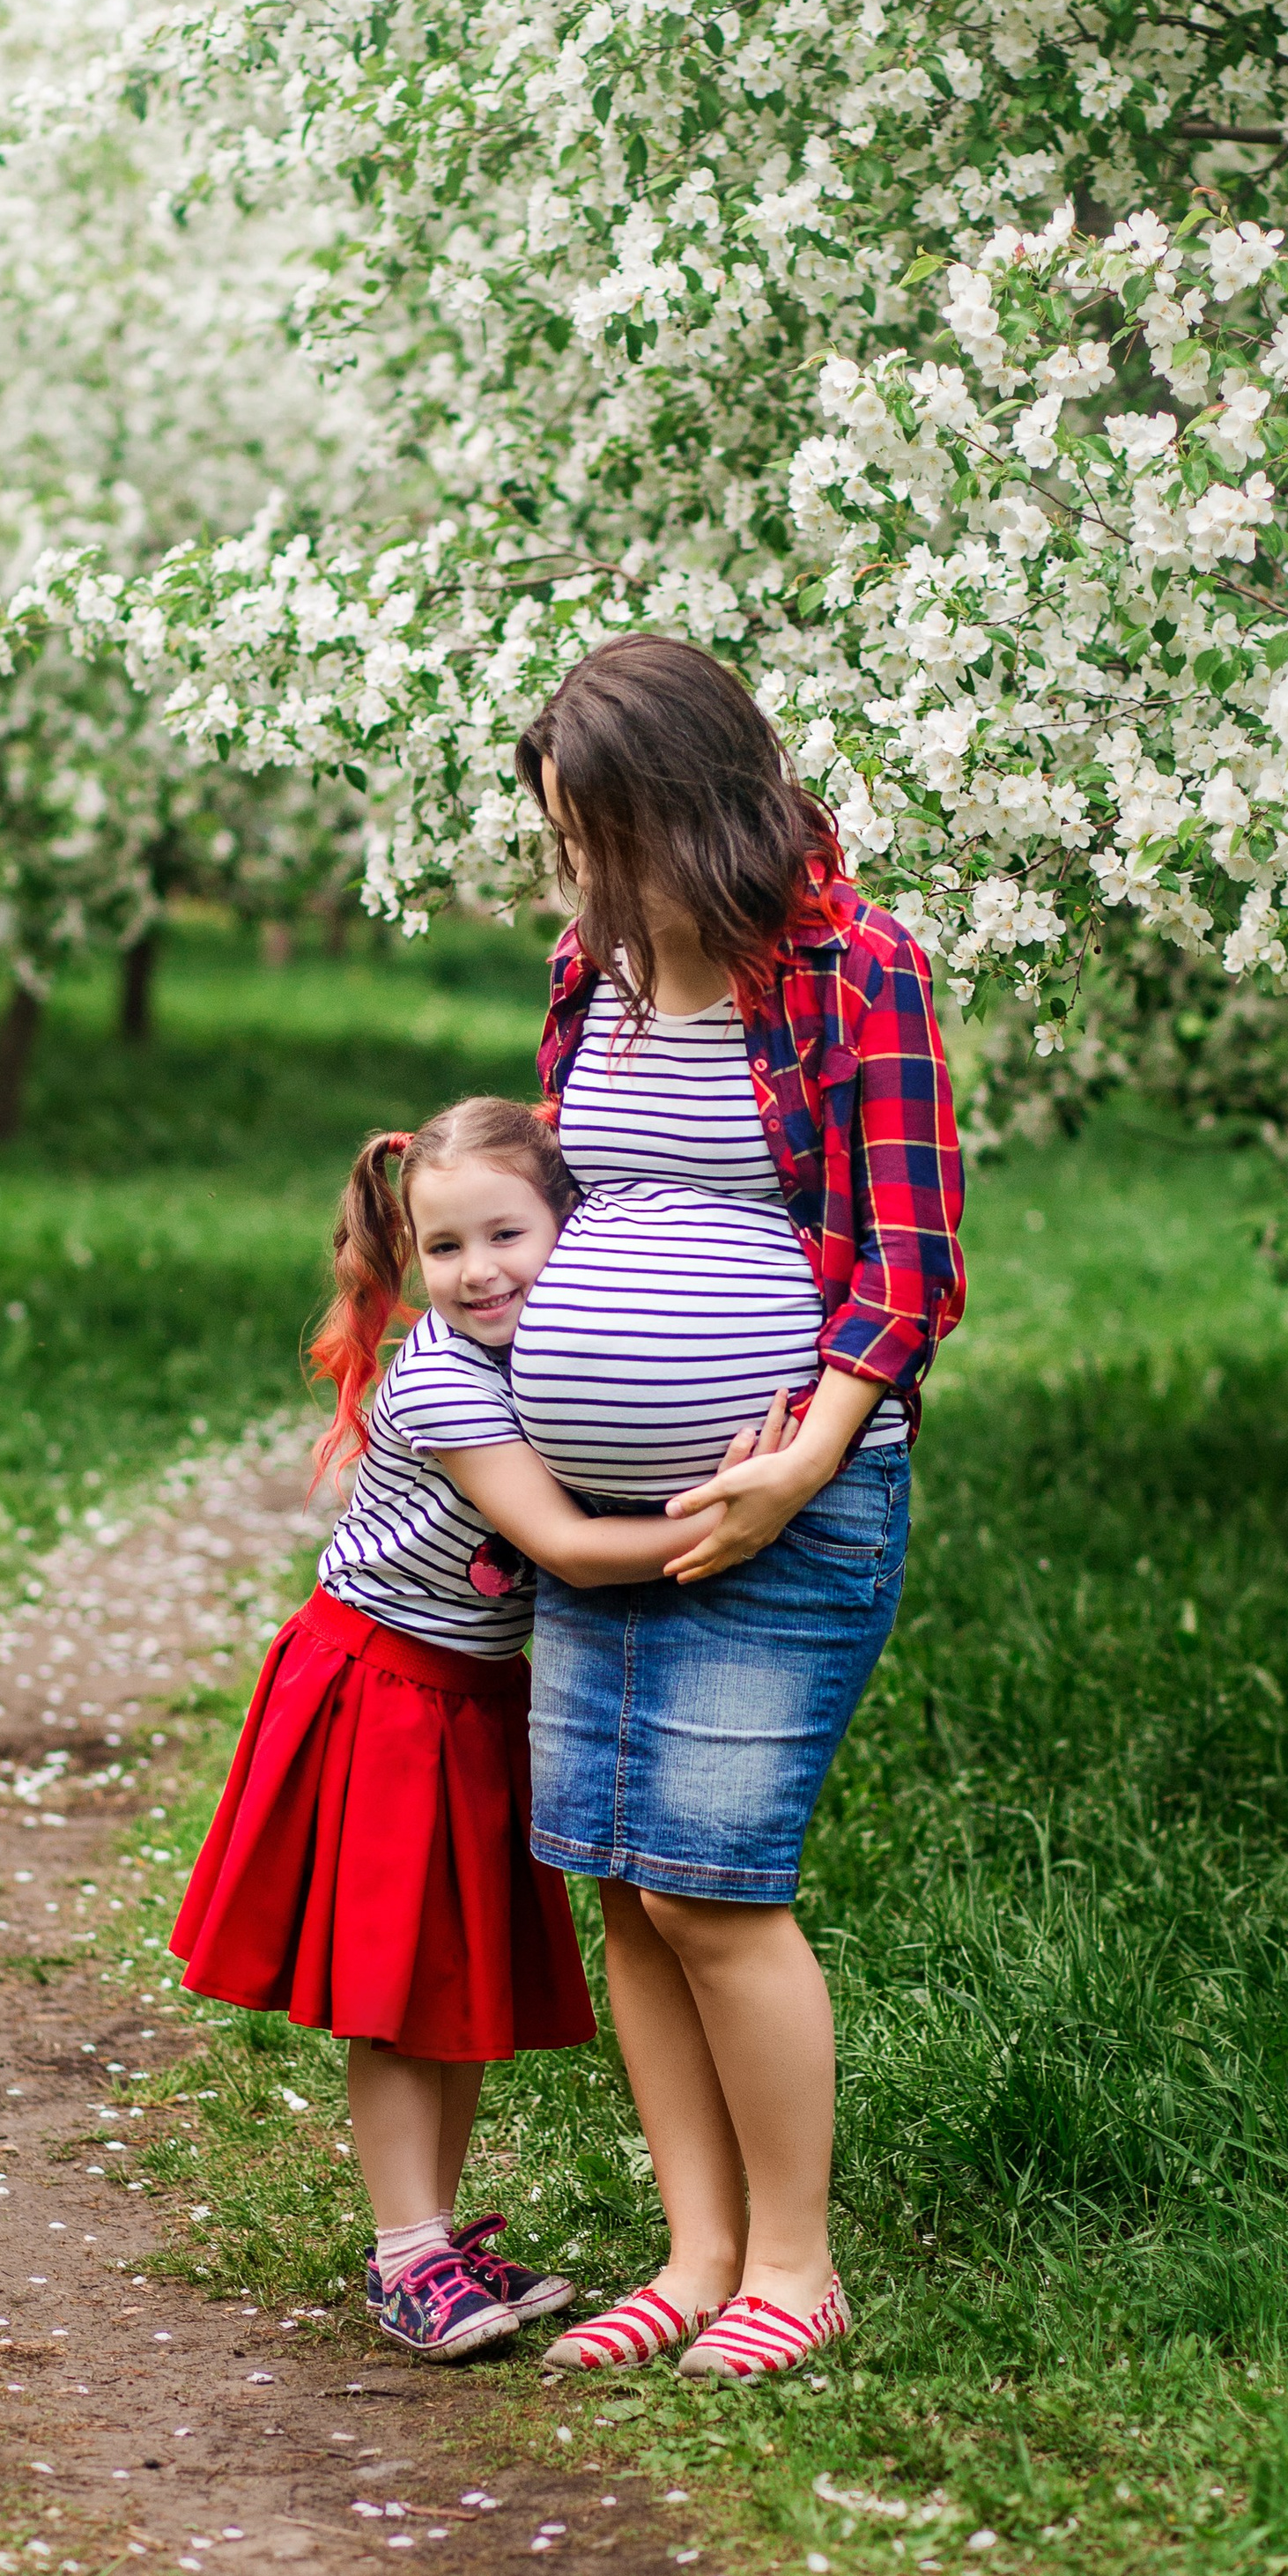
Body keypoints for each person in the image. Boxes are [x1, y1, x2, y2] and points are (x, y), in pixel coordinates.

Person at [509, 636, 966, 2382]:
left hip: (789, 1505)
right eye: (565, 844)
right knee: (624, 1884)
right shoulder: (590, 977)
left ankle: (794, 2262)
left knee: (715, 1885)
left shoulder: (856, 974)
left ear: (686, 815)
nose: (577, 879)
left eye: (596, 839)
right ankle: (692, 2254)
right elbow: (582, 1205)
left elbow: (910, 1267)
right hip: (598, 1514)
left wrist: (801, 1459)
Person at [170, 1094, 785, 2360]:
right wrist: (747, 1512)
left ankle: (433, 2242)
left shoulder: (555, 1351)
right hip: (384, 1688)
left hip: (466, 1693)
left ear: (577, 1226)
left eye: (507, 1234)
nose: (478, 1271)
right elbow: (562, 1542)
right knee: (395, 1995)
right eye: (444, 1250)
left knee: (440, 1979)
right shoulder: (449, 1379)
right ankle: (406, 2253)